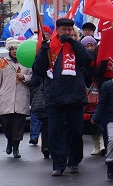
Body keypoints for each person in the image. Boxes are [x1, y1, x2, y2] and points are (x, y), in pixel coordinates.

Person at [32, 18, 95, 176]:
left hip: (75, 96)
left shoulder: (76, 46)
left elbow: (88, 60)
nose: (66, 33)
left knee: (75, 130)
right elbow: (38, 70)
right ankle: (58, 164)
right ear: (57, 30)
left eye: (69, 30)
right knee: (55, 131)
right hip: (54, 96)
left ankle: (74, 161)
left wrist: (74, 43)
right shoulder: (49, 46)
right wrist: (42, 52)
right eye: (63, 30)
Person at [0, 38, 32, 158]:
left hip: (21, 98)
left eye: (17, 49)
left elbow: (32, 77)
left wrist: (24, 77)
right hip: (6, 99)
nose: (14, 51)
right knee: (6, 123)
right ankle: (9, 140)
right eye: (12, 49)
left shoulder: (27, 62)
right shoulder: (3, 62)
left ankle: (16, 147)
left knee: (18, 125)